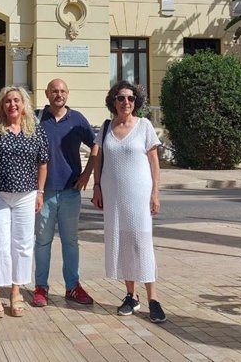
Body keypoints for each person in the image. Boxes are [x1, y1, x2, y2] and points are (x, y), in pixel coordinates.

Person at [91, 80, 166, 324]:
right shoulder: (106, 127)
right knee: (122, 242)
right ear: (113, 101)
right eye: (121, 98)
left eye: (131, 99)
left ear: (136, 102)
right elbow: (99, 159)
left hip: (139, 195)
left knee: (141, 244)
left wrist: (155, 192)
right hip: (113, 196)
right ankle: (130, 296)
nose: (126, 102)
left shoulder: (144, 126)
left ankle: (153, 299)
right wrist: (97, 186)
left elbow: (154, 162)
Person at [0, 86, 49, 318]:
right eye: (8, 101)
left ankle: (16, 291)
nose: (12, 105)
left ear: (23, 103)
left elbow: (43, 162)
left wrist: (40, 192)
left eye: (16, 100)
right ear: (2, 104)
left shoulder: (35, 129)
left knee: (23, 244)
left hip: (26, 195)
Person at [32, 79, 96, 307]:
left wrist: (87, 174)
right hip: (44, 192)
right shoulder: (37, 118)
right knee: (42, 242)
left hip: (70, 191)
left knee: (71, 241)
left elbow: (96, 146)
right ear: (46, 93)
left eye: (62, 91)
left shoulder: (77, 119)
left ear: (67, 94)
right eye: (54, 91)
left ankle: (73, 286)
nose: (58, 94)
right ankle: (41, 287)